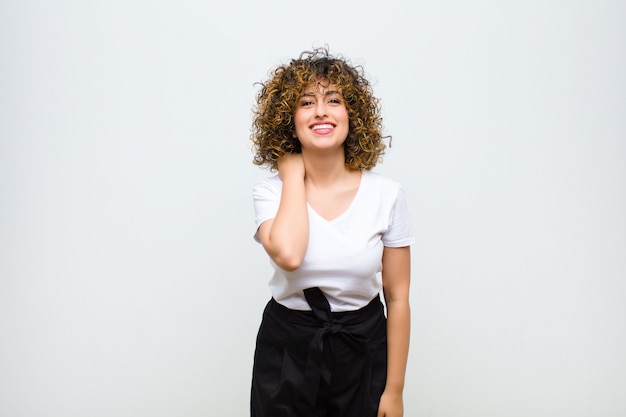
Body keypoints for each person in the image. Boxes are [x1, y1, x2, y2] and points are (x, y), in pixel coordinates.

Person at [249, 47, 415, 417]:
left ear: (351, 115)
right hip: (287, 350)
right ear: (288, 120)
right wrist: (293, 175)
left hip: (363, 349)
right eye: (306, 102)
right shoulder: (271, 192)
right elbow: (290, 256)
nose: (321, 110)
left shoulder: (386, 195)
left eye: (334, 100)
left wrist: (395, 390)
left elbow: (398, 298)